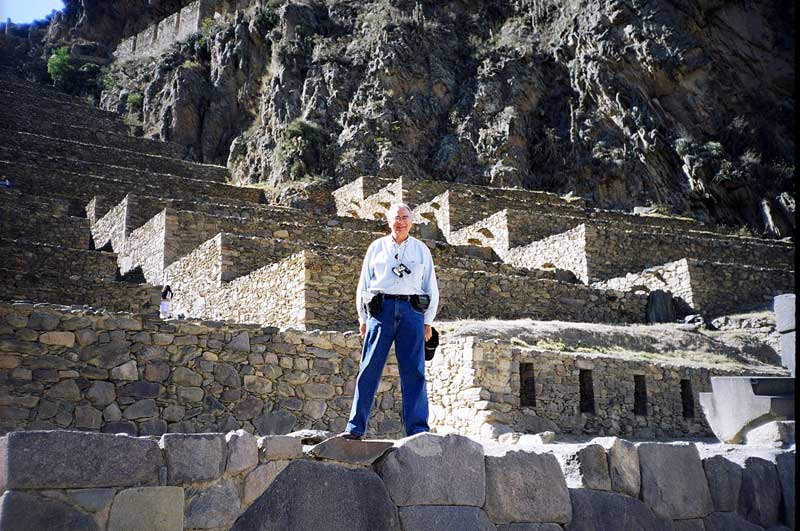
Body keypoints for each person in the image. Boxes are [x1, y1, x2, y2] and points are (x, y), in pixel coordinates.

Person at [341, 202, 439, 440]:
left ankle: (418, 430)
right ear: (388, 221)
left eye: (405, 217)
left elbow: (430, 286)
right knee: (369, 369)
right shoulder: (376, 248)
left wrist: (428, 321)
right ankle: (355, 428)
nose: (401, 222)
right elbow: (363, 284)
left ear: (412, 222)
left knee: (414, 371)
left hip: (412, 312)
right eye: (396, 217)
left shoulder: (421, 250)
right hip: (380, 310)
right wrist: (363, 317)